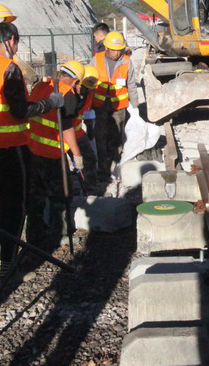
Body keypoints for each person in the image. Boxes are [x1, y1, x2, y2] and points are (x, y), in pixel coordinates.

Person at [0, 7, 64, 279]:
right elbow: (20, 110)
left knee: (2, 199)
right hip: (13, 146)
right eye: (17, 42)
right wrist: (49, 103)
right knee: (14, 203)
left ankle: (3, 256)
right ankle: (8, 263)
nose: (17, 48)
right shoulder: (8, 69)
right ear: (9, 40)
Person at [26, 60, 84, 251]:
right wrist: (76, 154)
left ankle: (33, 235)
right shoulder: (67, 95)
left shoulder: (42, 86)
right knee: (61, 195)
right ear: (75, 80)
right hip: (52, 153)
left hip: (33, 149)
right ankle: (58, 234)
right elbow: (66, 128)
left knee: (36, 196)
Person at [90, 31, 138, 184]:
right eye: (114, 49)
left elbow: (131, 84)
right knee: (101, 138)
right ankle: (103, 170)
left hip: (119, 107)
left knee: (117, 138)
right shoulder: (96, 60)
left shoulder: (126, 61)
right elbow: (88, 83)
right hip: (100, 106)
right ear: (106, 48)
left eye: (119, 49)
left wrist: (135, 106)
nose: (117, 53)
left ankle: (116, 166)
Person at [74, 64, 99, 195]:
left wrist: (89, 125)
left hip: (77, 133)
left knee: (89, 159)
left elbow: (88, 108)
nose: (83, 90)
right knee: (77, 162)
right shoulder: (68, 94)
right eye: (82, 86)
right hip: (62, 135)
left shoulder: (89, 91)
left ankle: (90, 191)